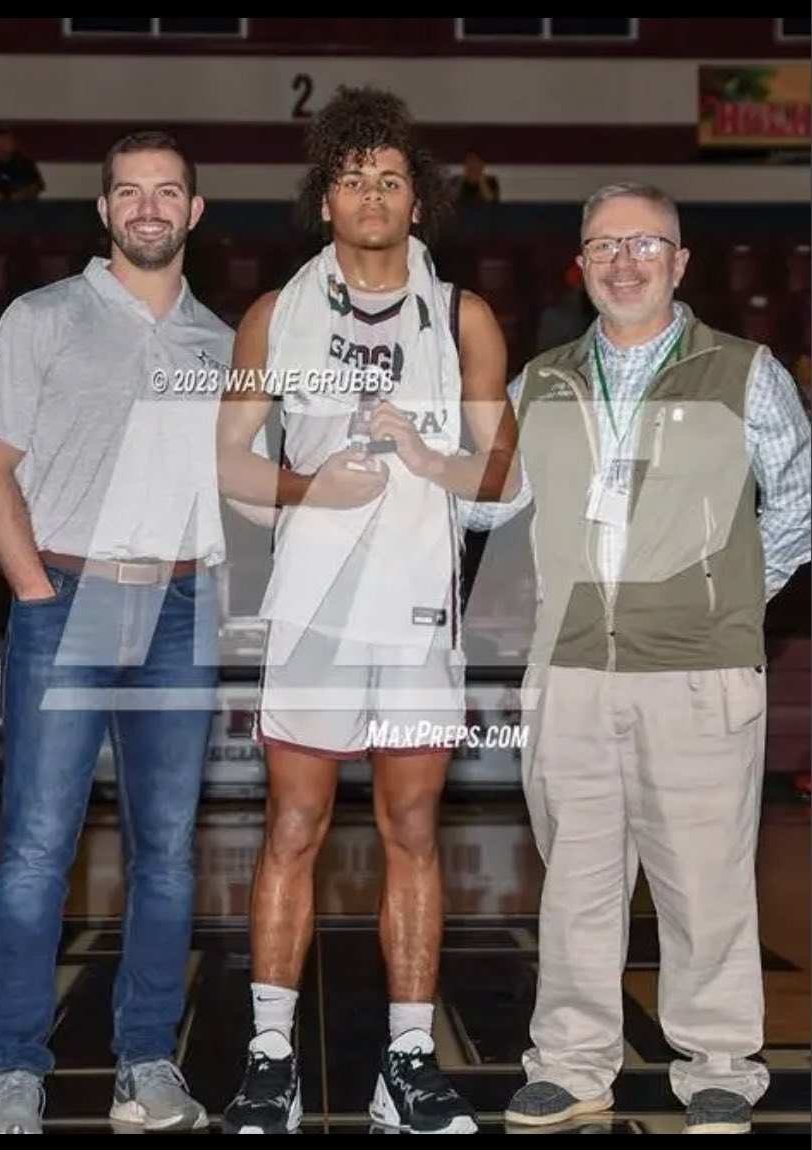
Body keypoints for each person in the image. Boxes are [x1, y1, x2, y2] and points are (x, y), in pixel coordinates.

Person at [470, 182, 811, 1135]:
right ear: (579, 264)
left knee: (705, 883)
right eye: (604, 247)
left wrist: (725, 599)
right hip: (570, 670)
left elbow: (797, 500)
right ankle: (571, 1065)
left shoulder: (744, 372)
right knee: (575, 885)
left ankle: (718, 1067)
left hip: (699, 671)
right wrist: (409, 451)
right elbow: (487, 504)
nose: (624, 263)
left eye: (644, 245)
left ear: (680, 261)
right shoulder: (540, 381)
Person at [215, 85, 520, 1135]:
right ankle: (269, 1063)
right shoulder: (274, 314)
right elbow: (228, 464)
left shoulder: (464, 317)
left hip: (417, 615)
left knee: (412, 831)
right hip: (312, 614)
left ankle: (406, 1065)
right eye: (352, 179)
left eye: (390, 179)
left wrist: (430, 459)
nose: (372, 196)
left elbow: (499, 475)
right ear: (325, 200)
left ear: (417, 201)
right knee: (292, 827)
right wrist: (310, 490)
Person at [0, 130, 232, 1133]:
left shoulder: (221, 345)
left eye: (166, 192)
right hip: (65, 595)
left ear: (194, 212)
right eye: (129, 192)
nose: (147, 208)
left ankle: (146, 1064)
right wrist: (35, 592)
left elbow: (243, 489)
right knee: (36, 849)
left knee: (166, 851)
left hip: (178, 608)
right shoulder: (41, 318)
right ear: (103, 210)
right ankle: (13, 1068)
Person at [0, 123, 45, 202]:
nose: (8, 141)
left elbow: (37, 186)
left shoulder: (24, 163)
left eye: (10, 138)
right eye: (3, 138)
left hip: (21, 206)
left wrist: (15, 196)